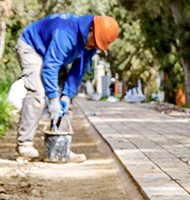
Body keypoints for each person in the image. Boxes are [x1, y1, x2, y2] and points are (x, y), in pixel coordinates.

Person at [12, 13, 121, 154]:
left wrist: (66, 96)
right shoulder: (66, 33)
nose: (94, 46)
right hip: (33, 48)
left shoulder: (92, 43)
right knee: (37, 92)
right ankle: (24, 143)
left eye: (98, 45)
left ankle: (60, 149)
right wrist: (53, 99)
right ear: (90, 29)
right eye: (95, 42)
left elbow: (78, 70)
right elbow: (50, 66)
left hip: (55, 56)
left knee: (66, 100)